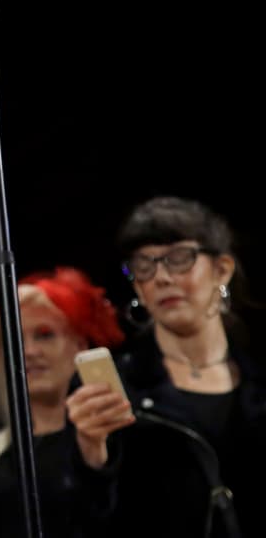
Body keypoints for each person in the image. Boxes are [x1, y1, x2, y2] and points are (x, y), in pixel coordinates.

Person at [65, 196, 265, 537]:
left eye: (180, 259)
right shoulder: (117, 386)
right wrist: (91, 451)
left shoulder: (258, 378)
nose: (161, 277)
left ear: (222, 269)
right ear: (137, 286)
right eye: (144, 265)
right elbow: (89, 515)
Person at [0, 267, 124, 538]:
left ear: (79, 345)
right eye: (14, 340)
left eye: (44, 334)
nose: (28, 351)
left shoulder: (115, 446)